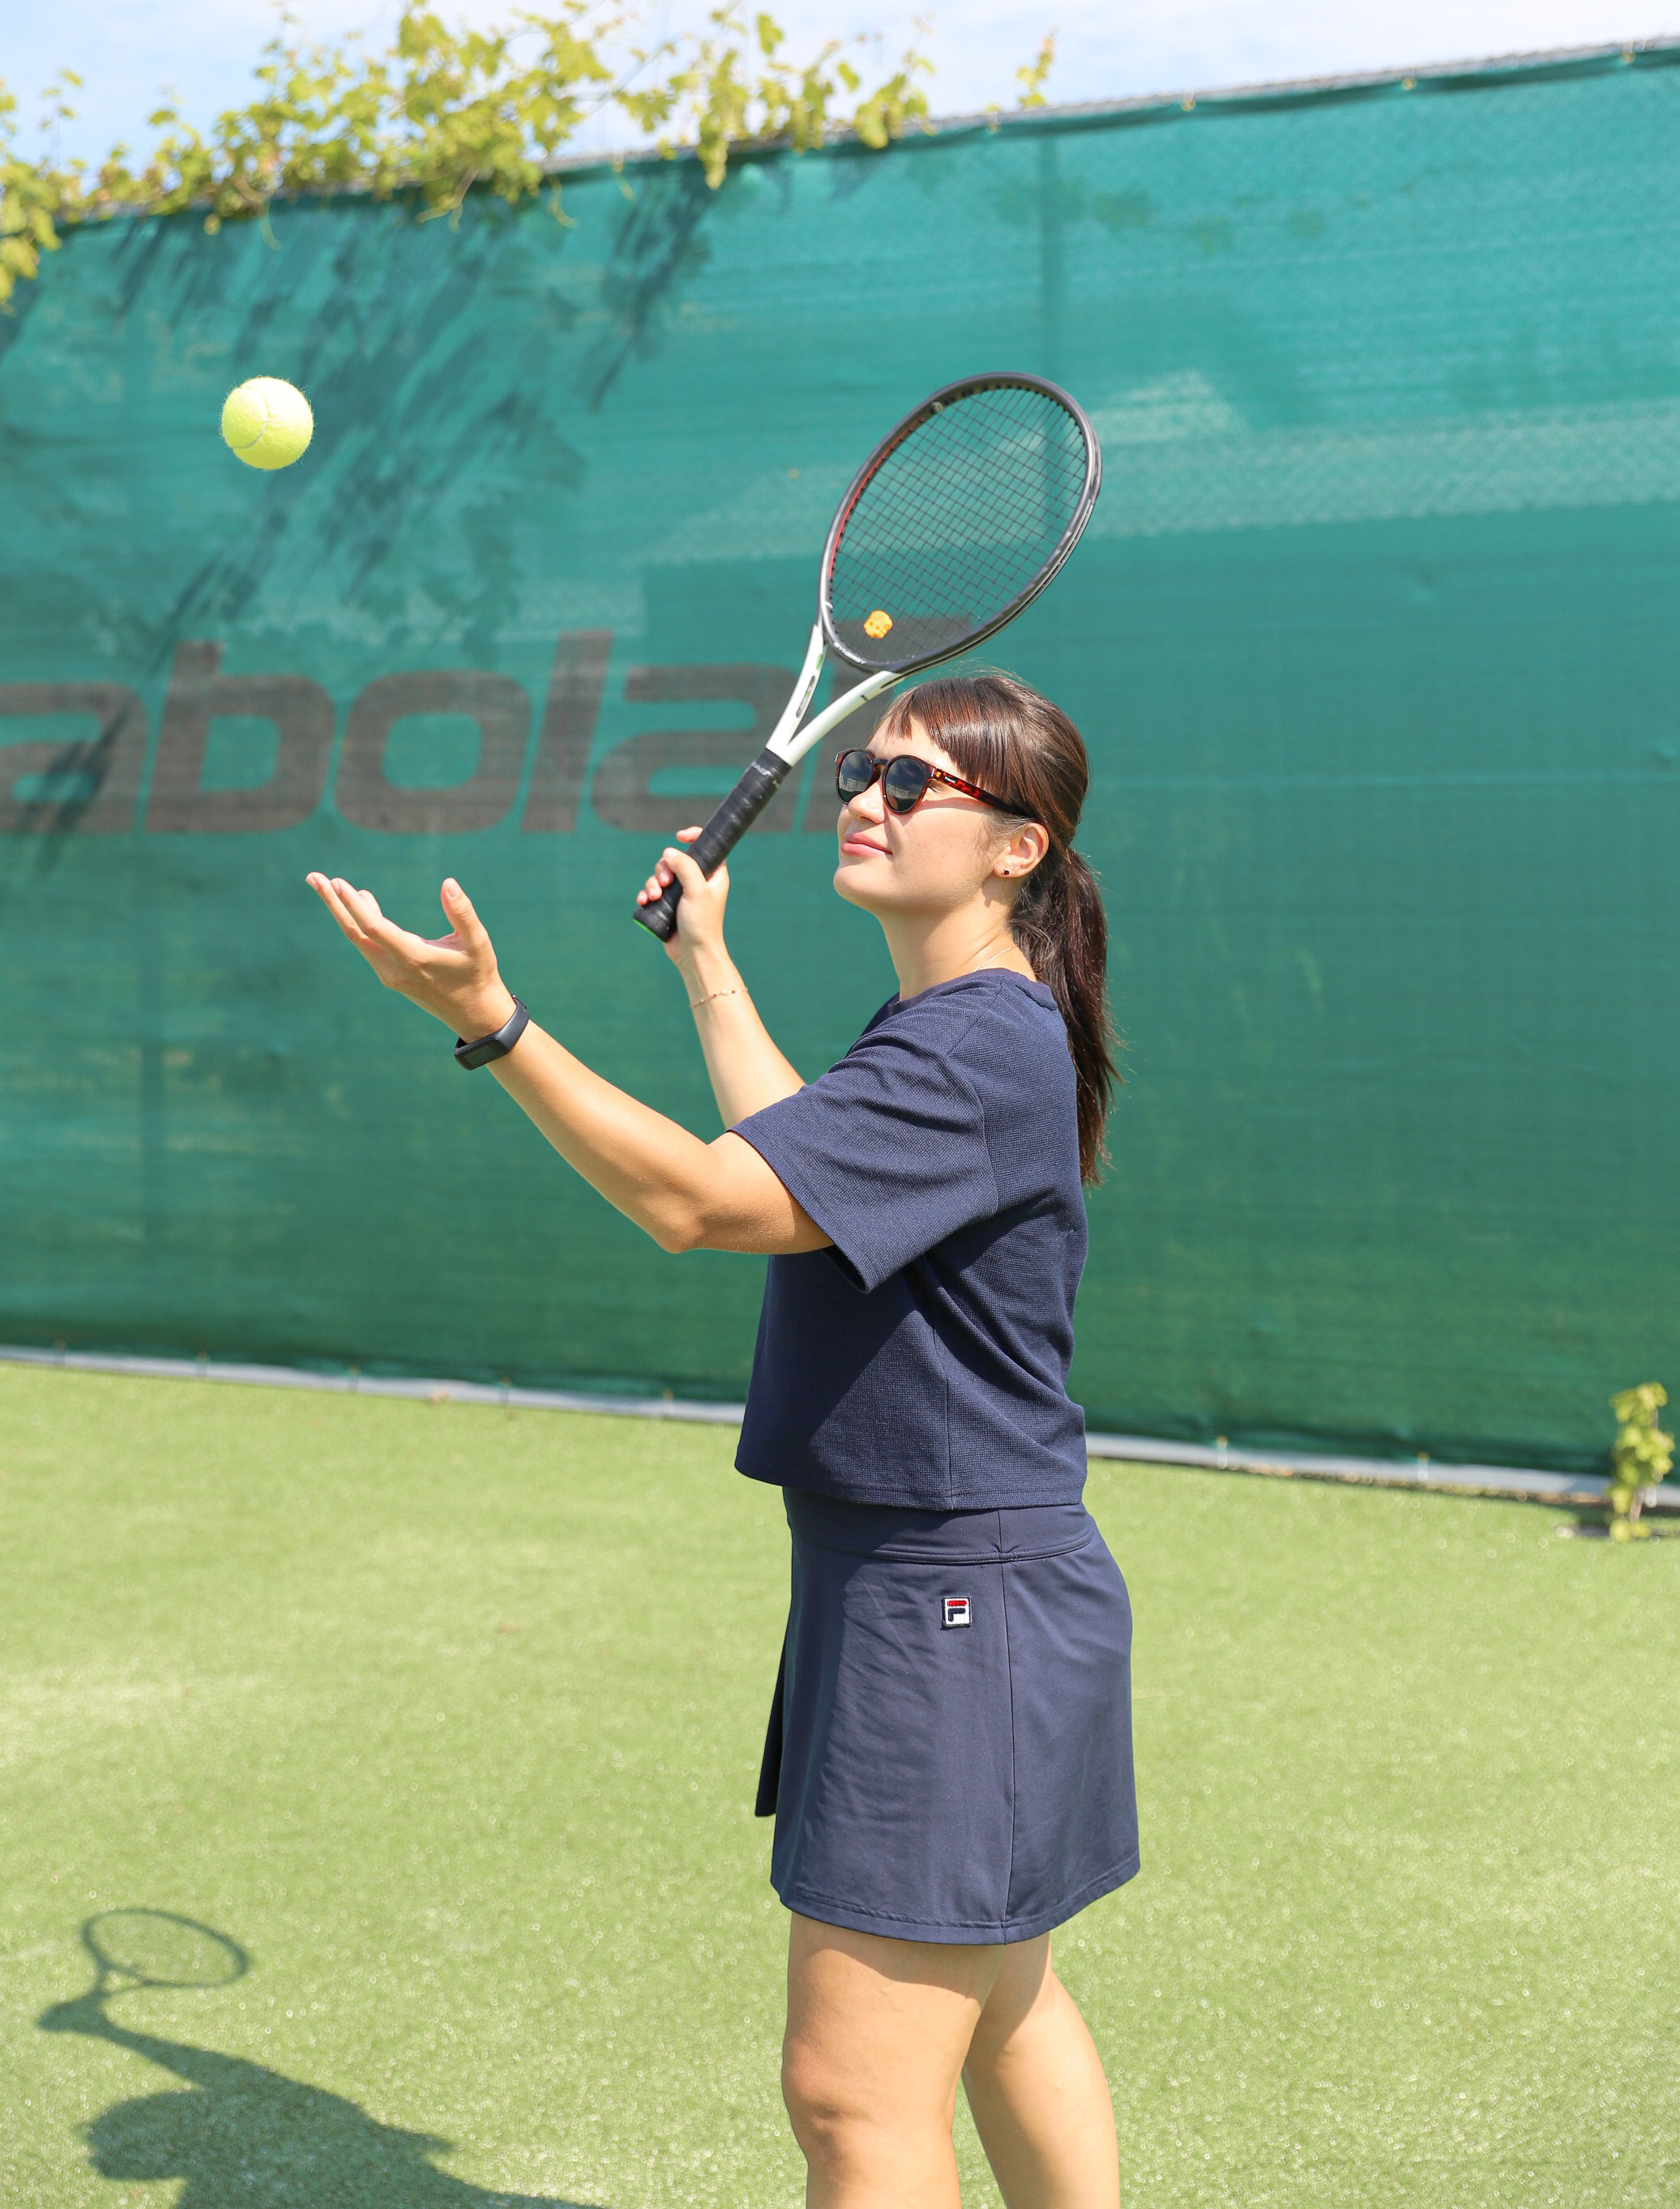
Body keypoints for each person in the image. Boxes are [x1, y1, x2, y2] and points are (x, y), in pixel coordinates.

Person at [306, 668, 1137, 2209]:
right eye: (859, 778)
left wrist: (493, 1024)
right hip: (954, 1585)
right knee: (1001, 2005)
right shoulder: (957, 1026)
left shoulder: (975, 1048)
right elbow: (801, 1181)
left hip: (956, 1600)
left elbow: (702, 1201)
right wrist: (711, 964)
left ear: (1018, 847)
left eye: (911, 786)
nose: (867, 802)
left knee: (850, 2095)